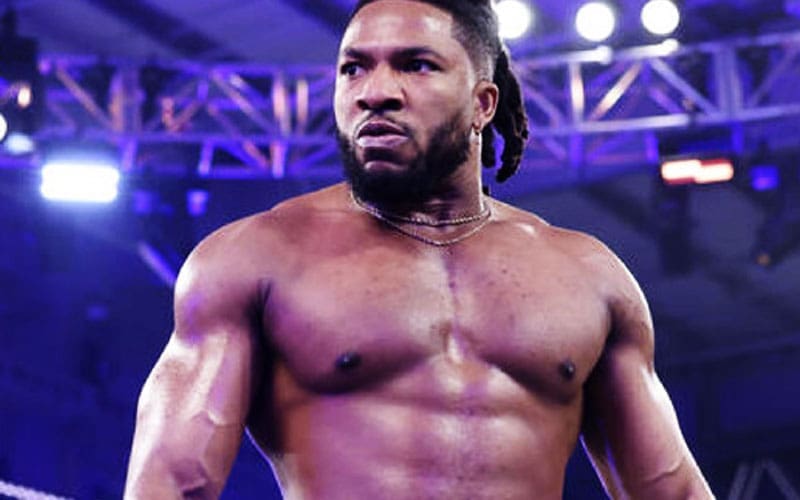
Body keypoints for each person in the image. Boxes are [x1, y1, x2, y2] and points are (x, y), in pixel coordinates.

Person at [124, 0, 715, 498]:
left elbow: (672, 493)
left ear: (483, 103)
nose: (376, 92)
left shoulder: (588, 275)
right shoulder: (255, 258)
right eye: (353, 69)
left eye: (416, 65)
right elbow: (171, 484)